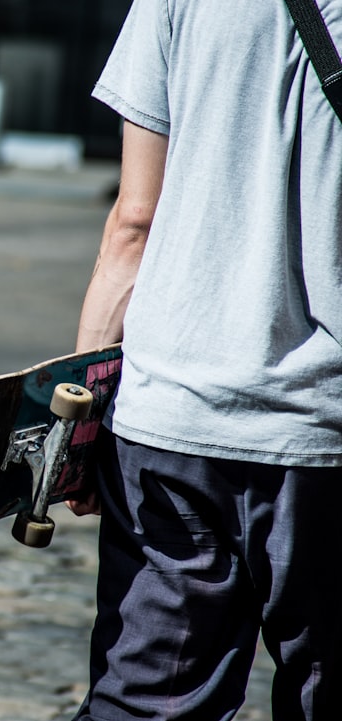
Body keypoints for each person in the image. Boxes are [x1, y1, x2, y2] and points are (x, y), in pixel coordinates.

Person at [69, 1, 342, 719]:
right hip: (328, 430)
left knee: (148, 696)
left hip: (172, 415)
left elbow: (135, 219)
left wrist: (78, 416)